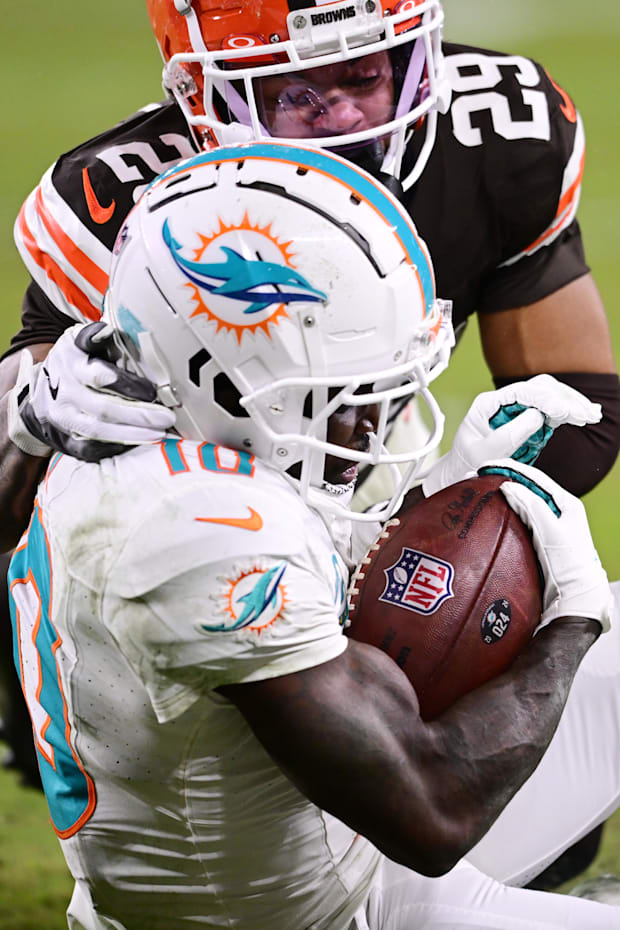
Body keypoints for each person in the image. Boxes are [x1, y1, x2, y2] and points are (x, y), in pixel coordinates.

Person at [2, 0, 618, 880]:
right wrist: (31, 418)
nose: (344, 115)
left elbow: (583, 401)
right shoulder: (118, 199)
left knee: (525, 811)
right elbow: (6, 485)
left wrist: (436, 542)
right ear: (201, 91)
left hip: (361, 481)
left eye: (365, 74)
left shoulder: (497, 131)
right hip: (179, 547)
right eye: (292, 89)